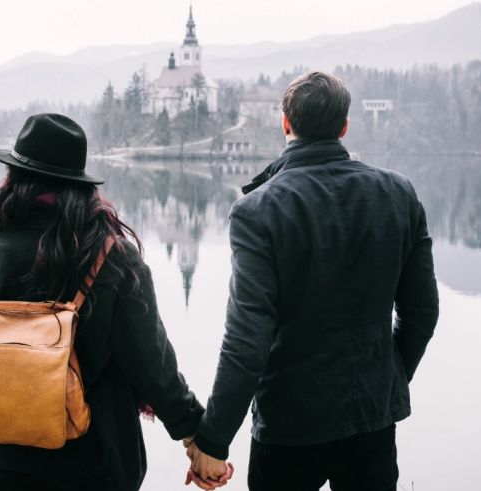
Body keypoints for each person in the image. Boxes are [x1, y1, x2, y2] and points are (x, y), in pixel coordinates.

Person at [185, 72, 440, 491]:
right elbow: (422, 314)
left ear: (285, 123)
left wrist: (212, 440)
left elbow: (247, 340)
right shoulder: (399, 195)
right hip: (370, 420)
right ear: (344, 126)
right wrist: (387, 377)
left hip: (289, 425)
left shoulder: (257, 211)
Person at [0, 113, 206, 491]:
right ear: (79, 187)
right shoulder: (111, 257)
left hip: (9, 463)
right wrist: (194, 433)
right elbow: (152, 367)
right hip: (99, 463)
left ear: (13, 180)